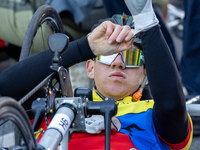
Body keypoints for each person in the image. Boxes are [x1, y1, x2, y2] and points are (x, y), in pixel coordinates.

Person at [0, 0, 193, 149]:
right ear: (90, 68)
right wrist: (85, 47)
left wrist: (146, 21)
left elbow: (171, 105)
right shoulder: (54, 108)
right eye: (108, 56)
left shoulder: (155, 114)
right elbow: (5, 88)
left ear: (146, 74)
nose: (118, 63)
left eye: (131, 57)